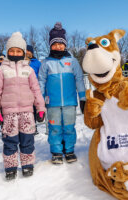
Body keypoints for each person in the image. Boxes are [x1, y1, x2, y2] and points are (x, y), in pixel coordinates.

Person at [0, 32, 46, 180]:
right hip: (9, 113)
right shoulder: (1, 70)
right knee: (10, 141)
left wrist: (40, 108)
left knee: (28, 140)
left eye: (18, 50)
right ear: (7, 52)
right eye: (12, 50)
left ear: (23, 52)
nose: (15, 53)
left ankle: (27, 165)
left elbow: (36, 90)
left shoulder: (29, 69)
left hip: (27, 112)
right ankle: (10, 167)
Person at [39, 22, 86, 164]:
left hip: (69, 102)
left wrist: (82, 98)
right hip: (52, 103)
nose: (58, 46)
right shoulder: (46, 63)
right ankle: (57, 151)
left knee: (69, 127)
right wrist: (40, 101)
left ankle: (69, 150)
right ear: (50, 46)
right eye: (55, 44)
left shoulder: (72, 61)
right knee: (54, 128)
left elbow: (79, 79)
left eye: (61, 43)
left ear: (65, 44)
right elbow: (41, 81)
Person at [26, 45, 42, 135]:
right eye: (26, 50)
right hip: (25, 89)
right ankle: (29, 127)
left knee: (35, 108)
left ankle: (34, 126)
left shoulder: (37, 63)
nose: (27, 52)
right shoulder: (22, 62)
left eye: (29, 50)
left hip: (35, 89)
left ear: (32, 52)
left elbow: (41, 75)